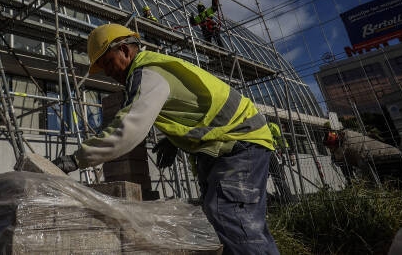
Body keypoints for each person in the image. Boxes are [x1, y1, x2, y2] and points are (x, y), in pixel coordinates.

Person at [52, 24, 279, 255]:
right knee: (230, 223)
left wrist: (74, 160)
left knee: (230, 215)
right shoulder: (149, 71)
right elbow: (190, 107)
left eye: (108, 63)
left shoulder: (148, 73)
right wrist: (172, 141)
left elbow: (127, 129)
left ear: (125, 51)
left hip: (240, 140)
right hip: (222, 144)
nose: (108, 72)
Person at [267, 121, 295, 204]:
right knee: (279, 178)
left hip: (268, 154)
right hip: (270, 153)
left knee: (275, 179)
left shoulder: (269, 126)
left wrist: (289, 153)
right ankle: (288, 201)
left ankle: (286, 200)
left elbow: (281, 139)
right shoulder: (272, 125)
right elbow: (281, 139)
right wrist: (290, 153)